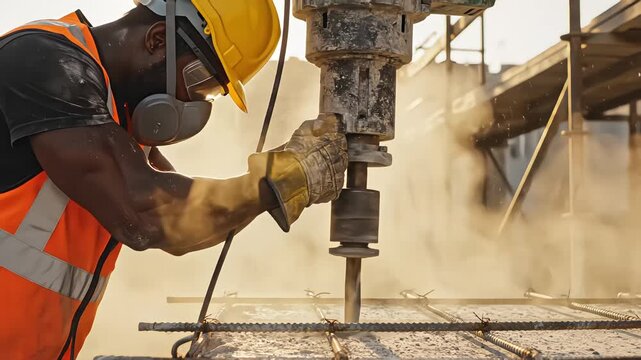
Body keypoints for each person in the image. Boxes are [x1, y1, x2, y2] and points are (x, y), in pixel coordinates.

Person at [0, 0, 348, 358]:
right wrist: (276, 181)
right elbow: (147, 215)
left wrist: (280, 173)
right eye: (199, 81)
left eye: (210, 93)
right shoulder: (44, 62)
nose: (192, 100)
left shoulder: (114, 121)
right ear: (158, 39)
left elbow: (185, 224)